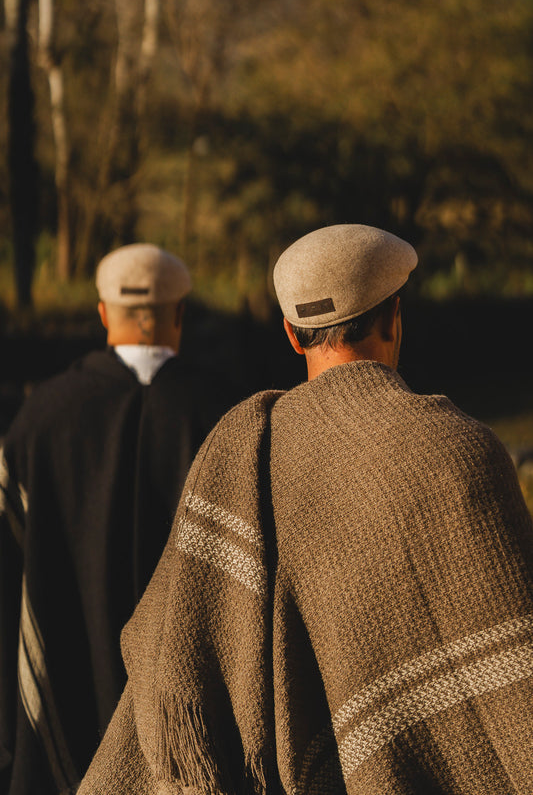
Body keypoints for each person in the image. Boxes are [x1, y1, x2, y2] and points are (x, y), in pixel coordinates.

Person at [78, 225, 533, 795]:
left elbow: (169, 651)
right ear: (395, 315)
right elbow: (515, 681)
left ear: (293, 336)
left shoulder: (240, 454)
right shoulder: (461, 454)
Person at [0, 243, 237, 795]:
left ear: (103, 313)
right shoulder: (228, 416)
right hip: (193, 706)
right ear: (181, 313)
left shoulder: (42, 418)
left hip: (68, 689)